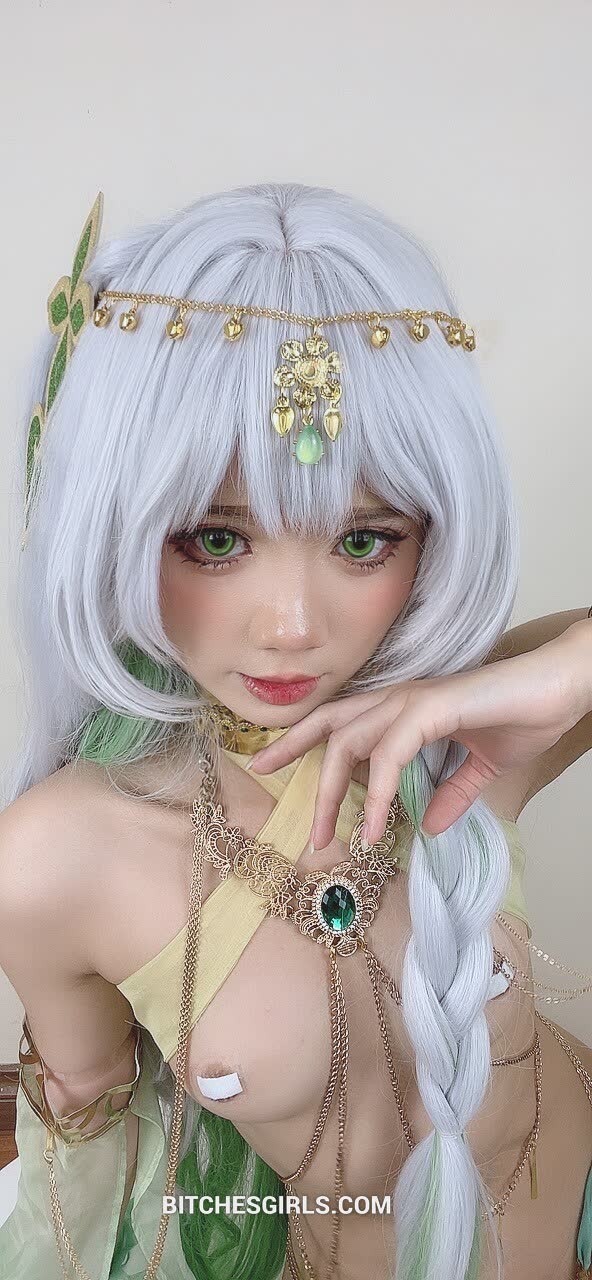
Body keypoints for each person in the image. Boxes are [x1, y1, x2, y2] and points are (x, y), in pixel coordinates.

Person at [0, 181, 591, 1280]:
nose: (290, 625)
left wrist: (553, 679)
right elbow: (90, 1180)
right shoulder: (54, 859)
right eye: (214, 539)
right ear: (113, 526)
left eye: (364, 541)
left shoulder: (470, 727)